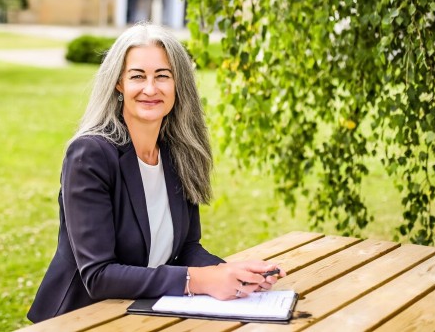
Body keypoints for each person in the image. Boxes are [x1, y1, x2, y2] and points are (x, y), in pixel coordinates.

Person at [27, 23, 285, 322]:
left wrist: (232, 274)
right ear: (119, 84)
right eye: (137, 76)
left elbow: (187, 248)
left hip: (144, 312)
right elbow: (98, 276)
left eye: (162, 76)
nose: (150, 89)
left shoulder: (179, 152)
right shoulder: (90, 155)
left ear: (178, 84)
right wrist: (198, 281)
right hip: (82, 318)